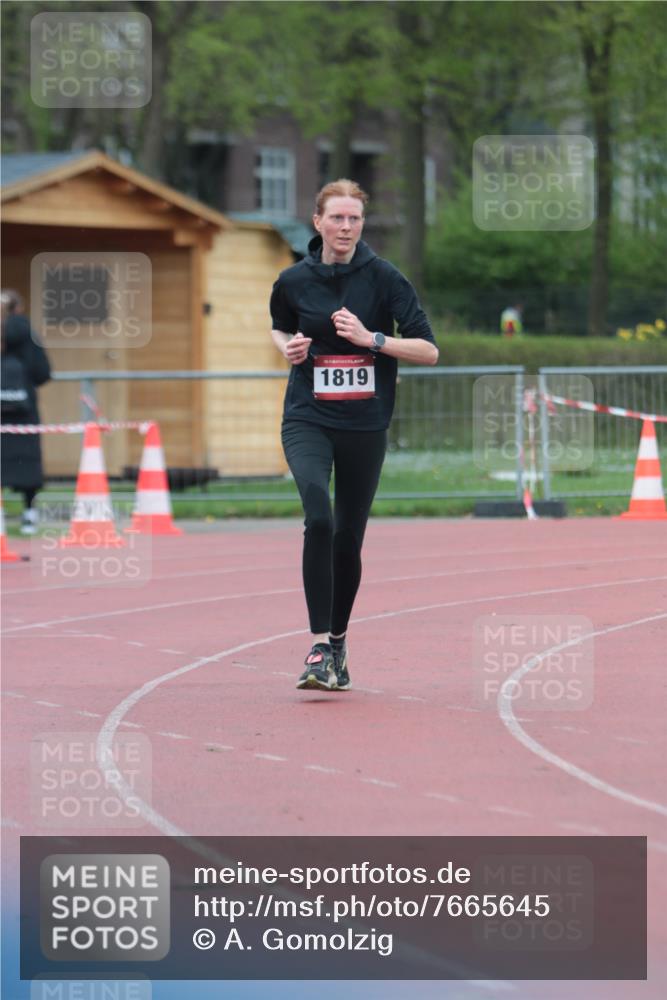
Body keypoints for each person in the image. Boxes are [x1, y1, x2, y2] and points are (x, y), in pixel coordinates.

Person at [270, 179, 438, 692]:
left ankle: (338, 644)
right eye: (337, 218)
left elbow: (429, 350)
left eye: (355, 219)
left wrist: (374, 339)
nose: (346, 228)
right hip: (308, 417)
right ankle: (320, 644)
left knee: (348, 537)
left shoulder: (385, 278)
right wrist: (288, 347)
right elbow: (279, 325)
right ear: (317, 222)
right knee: (318, 513)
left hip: (365, 424)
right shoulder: (292, 280)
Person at [0, 289, 51, 534]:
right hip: (24, 411)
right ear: (18, 308)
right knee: (27, 461)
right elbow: (43, 373)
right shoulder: (28, 334)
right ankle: (29, 514)